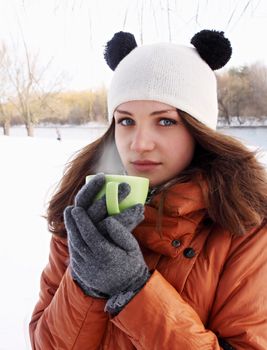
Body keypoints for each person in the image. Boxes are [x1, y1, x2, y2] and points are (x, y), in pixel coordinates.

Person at [29, 30, 267, 349]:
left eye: (165, 121)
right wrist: (84, 285)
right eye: (126, 121)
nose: (139, 144)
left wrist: (135, 290)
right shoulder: (83, 213)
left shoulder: (245, 227)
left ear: (199, 130)